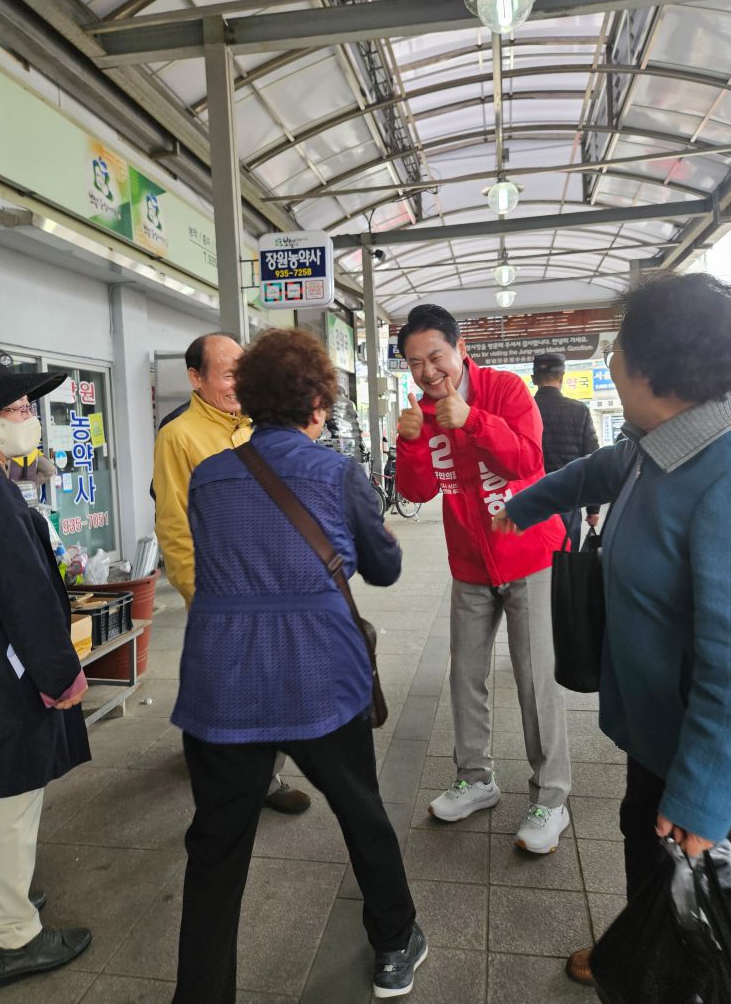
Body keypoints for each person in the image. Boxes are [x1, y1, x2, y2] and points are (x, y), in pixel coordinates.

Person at [495, 273, 731, 993]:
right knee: (643, 851)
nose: (610, 355)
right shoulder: (662, 442)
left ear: (654, 369)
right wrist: (525, 505)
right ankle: (629, 947)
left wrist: (704, 796)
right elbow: (597, 470)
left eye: (621, 343)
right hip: (658, 736)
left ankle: (648, 967)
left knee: (697, 906)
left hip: (708, 763)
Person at [170, 329, 426, 1003]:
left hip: (222, 684)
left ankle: (200, 994)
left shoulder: (208, 473)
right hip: (319, 677)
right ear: (318, 401)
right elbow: (386, 566)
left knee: (217, 846)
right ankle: (396, 939)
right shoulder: (338, 472)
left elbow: (216, 557)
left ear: (249, 400)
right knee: (360, 810)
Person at [395, 304, 571, 852]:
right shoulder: (420, 410)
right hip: (470, 563)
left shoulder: (506, 391)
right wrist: (409, 440)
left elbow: (527, 461)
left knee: (535, 678)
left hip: (528, 555)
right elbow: (419, 492)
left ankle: (551, 798)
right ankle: (476, 780)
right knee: (465, 675)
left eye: (436, 357)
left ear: (460, 349)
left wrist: (469, 418)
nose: (427, 372)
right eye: (415, 363)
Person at [152, 332, 310, 815]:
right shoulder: (178, 436)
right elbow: (174, 527)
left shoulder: (255, 426)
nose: (238, 383)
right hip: (220, 596)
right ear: (196, 378)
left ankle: (265, 774)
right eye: (226, 374)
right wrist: (201, 597)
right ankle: (237, 779)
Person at [0, 348, 92, 988]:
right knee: (8, 806)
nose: (30, 417)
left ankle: (0, 904)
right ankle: (14, 937)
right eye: (17, 408)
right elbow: (22, 595)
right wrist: (59, 675)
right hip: (1, 680)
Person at [532, 352, 601, 550]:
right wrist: (593, 509)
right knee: (567, 561)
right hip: (568, 500)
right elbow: (592, 460)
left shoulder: (522, 408)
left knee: (536, 563)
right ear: (562, 377)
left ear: (534, 379)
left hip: (531, 499)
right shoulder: (579, 410)